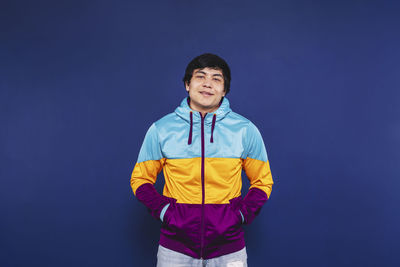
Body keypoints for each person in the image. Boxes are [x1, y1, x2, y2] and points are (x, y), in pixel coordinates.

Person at [130, 53, 273, 266]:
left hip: (229, 246)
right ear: (187, 84)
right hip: (174, 247)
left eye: (217, 79)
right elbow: (140, 180)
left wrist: (240, 215)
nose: (208, 84)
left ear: (224, 90)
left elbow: (263, 182)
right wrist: (166, 212)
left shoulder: (245, 130)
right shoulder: (161, 129)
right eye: (200, 76)